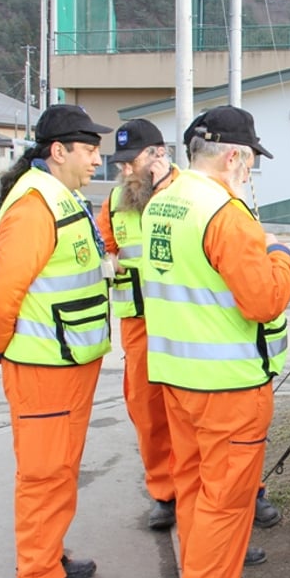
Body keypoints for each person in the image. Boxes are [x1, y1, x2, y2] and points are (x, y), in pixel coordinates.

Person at [142, 106, 290, 578]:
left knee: (194, 497)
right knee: (224, 506)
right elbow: (264, 299)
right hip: (228, 388)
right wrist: (281, 256)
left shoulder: (166, 203)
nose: (250, 169)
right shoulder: (226, 215)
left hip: (178, 379)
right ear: (234, 156)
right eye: (250, 159)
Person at [0, 104, 113, 578]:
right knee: (44, 471)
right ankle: (39, 577)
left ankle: (48, 552)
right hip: (43, 366)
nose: (98, 160)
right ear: (59, 152)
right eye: (90, 150)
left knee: (60, 467)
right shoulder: (34, 206)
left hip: (67, 360)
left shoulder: (61, 197)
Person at [96, 119, 179, 531]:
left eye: (132, 162)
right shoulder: (113, 204)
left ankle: (241, 494)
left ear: (158, 155)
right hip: (140, 325)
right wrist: (107, 263)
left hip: (188, 323)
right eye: (121, 163)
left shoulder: (190, 193)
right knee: (148, 413)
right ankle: (165, 493)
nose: (124, 170)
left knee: (204, 414)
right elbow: (107, 250)